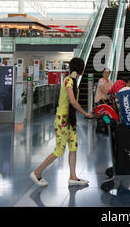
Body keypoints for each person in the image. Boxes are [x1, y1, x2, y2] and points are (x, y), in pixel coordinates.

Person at [30, 58, 92, 187]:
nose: (84, 69)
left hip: (70, 120)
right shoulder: (69, 81)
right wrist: (85, 113)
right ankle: (37, 172)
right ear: (79, 68)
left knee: (73, 147)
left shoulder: (73, 80)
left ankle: (73, 177)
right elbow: (72, 101)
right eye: (83, 67)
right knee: (59, 150)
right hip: (62, 119)